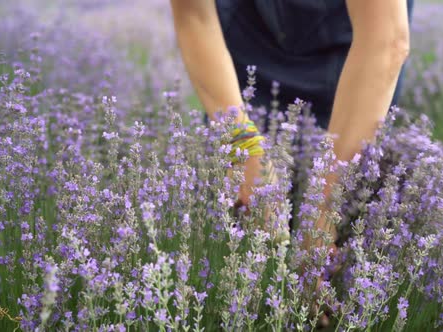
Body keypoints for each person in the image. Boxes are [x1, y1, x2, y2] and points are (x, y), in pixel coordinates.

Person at [170, 0, 413, 326]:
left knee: (338, 276)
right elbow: (194, 16)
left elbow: (384, 41)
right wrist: (242, 144)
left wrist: (322, 213)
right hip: (246, 55)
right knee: (244, 271)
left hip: (351, 65)